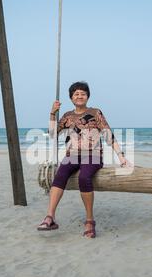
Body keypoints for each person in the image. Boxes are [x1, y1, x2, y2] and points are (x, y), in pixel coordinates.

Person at [37, 81, 131, 238]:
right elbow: (53, 134)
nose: (79, 96)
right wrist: (53, 113)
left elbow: (108, 135)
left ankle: (89, 220)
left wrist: (121, 157)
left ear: (87, 96)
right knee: (59, 176)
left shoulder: (95, 113)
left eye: (83, 93)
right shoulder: (67, 116)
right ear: (71, 98)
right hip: (72, 155)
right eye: (76, 94)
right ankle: (50, 217)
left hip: (93, 155)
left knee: (84, 177)